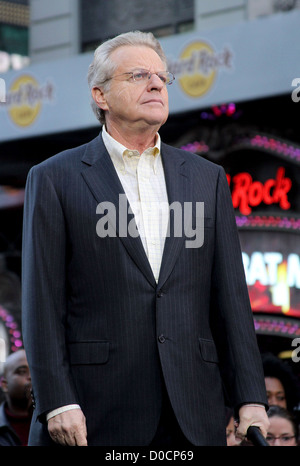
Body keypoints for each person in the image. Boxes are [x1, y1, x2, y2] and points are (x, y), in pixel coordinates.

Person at [22, 30, 269, 446]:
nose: (156, 83)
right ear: (100, 96)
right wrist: (58, 401)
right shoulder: (53, 178)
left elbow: (230, 298)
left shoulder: (207, 178)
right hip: (92, 413)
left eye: (161, 77)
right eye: (138, 75)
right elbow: (40, 302)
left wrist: (250, 398)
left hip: (193, 413)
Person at [0, 349, 33, 446]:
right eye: (22, 371)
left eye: (34, 370)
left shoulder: (55, 420)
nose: (31, 377)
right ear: (5, 385)